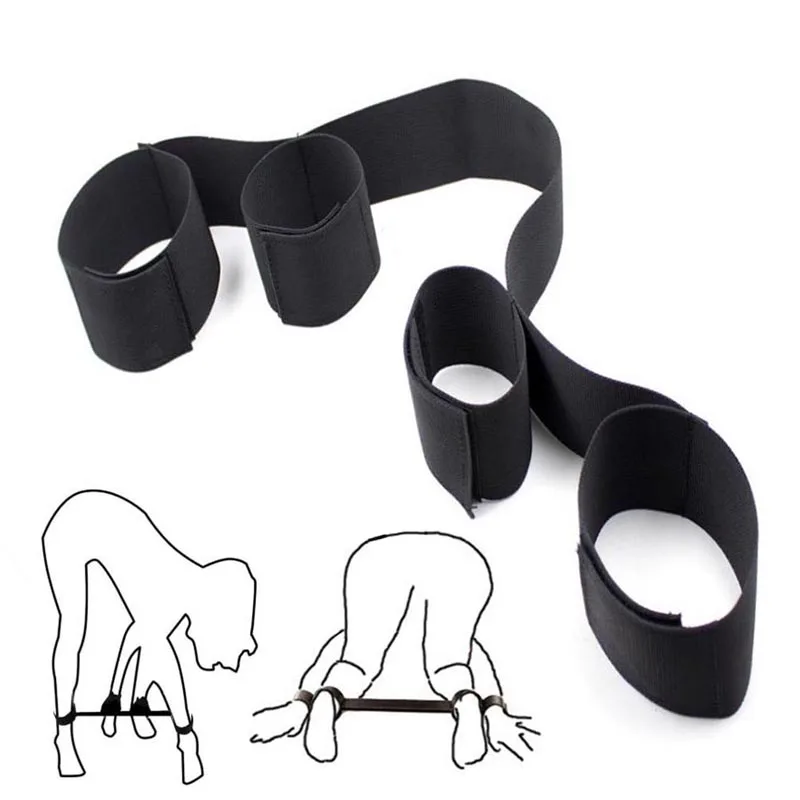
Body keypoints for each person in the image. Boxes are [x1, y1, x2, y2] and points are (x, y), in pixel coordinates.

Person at [250, 532, 537, 767]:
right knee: (449, 664)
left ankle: (330, 694)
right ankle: (465, 698)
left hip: (377, 557)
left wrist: (301, 701)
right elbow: (476, 654)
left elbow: (336, 645)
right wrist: (494, 710)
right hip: (461, 558)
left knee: (357, 660)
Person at [43, 490, 257, 784]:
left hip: (98, 519)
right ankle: (63, 736)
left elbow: (139, 638)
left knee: (150, 641)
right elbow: (158, 656)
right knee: (72, 632)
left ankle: (154, 721)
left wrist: (124, 698)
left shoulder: (180, 593)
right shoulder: (175, 590)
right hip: (69, 529)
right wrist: (186, 736)